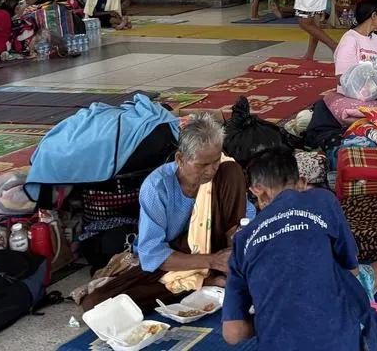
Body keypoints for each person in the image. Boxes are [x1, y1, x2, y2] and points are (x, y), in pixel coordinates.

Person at [223, 149, 377, 351]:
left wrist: (274, 315)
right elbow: (351, 274)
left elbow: (232, 334)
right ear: (303, 183)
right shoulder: (320, 199)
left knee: (327, 274)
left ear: (257, 192)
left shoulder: (243, 239)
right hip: (347, 340)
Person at [79, 114, 251, 311]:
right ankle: (203, 281)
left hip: (220, 253)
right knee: (96, 304)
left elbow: (244, 219)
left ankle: (227, 276)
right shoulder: (158, 187)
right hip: (178, 259)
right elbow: (153, 254)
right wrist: (212, 260)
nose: (211, 170)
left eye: (215, 161)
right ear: (180, 159)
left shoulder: (225, 172)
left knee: (232, 170)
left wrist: (234, 255)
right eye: (202, 165)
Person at [333, 0, 377, 93]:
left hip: (372, 92)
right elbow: (341, 78)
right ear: (374, 16)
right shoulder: (350, 39)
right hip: (352, 95)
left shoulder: (376, 39)